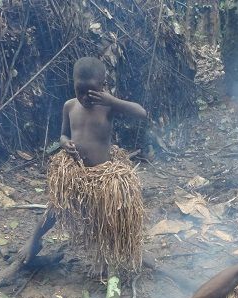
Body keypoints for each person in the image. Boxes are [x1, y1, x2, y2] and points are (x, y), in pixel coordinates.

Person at [21, 57, 148, 273]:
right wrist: (64, 143)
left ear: (102, 87)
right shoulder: (69, 106)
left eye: (92, 92)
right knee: (56, 207)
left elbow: (141, 113)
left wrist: (111, 100)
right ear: (73, 85)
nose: (85, 97)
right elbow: (62, 134)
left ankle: (107, 254)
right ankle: (33, 240)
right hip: (75, 173)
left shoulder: (108, 107)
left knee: (106, 215)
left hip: (103, 177)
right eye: (80, 91)